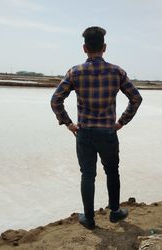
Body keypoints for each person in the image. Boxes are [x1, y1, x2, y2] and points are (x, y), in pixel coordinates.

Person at [51, 26, 142, 230]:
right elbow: (136, 98)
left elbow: (55, 100)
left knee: (87, 175)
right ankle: (115, 211)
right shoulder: (117, 72)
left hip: (84, 133)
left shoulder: (75, 72)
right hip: (108, 132)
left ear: (84, 48)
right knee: (112, 171)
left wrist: (68, 123)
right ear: (104, 47)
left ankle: (90, 219)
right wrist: (121, 122)